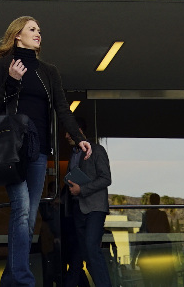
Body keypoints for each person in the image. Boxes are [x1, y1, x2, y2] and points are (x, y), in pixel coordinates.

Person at [0, 16, 91, 287]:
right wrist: (12, 81)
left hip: (39, 151)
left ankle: (11, 278)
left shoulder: (48, 71)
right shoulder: (3, 66)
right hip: (13, 150)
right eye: (32, 29)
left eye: (39, 30)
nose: (38, 33)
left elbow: (62, 108)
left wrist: (78, 137)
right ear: (17, 35)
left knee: (29, 215)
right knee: (22, 210)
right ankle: (22, 279)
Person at [63, 123, 112, 287]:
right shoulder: (73, 154)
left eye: (68, 132)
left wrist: (81, 189)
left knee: (92, 248)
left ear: (79, 131)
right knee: (86, 253)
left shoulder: (97, 150)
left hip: (95, 208)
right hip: (78, 209)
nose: (66, 136)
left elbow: (106, 178)